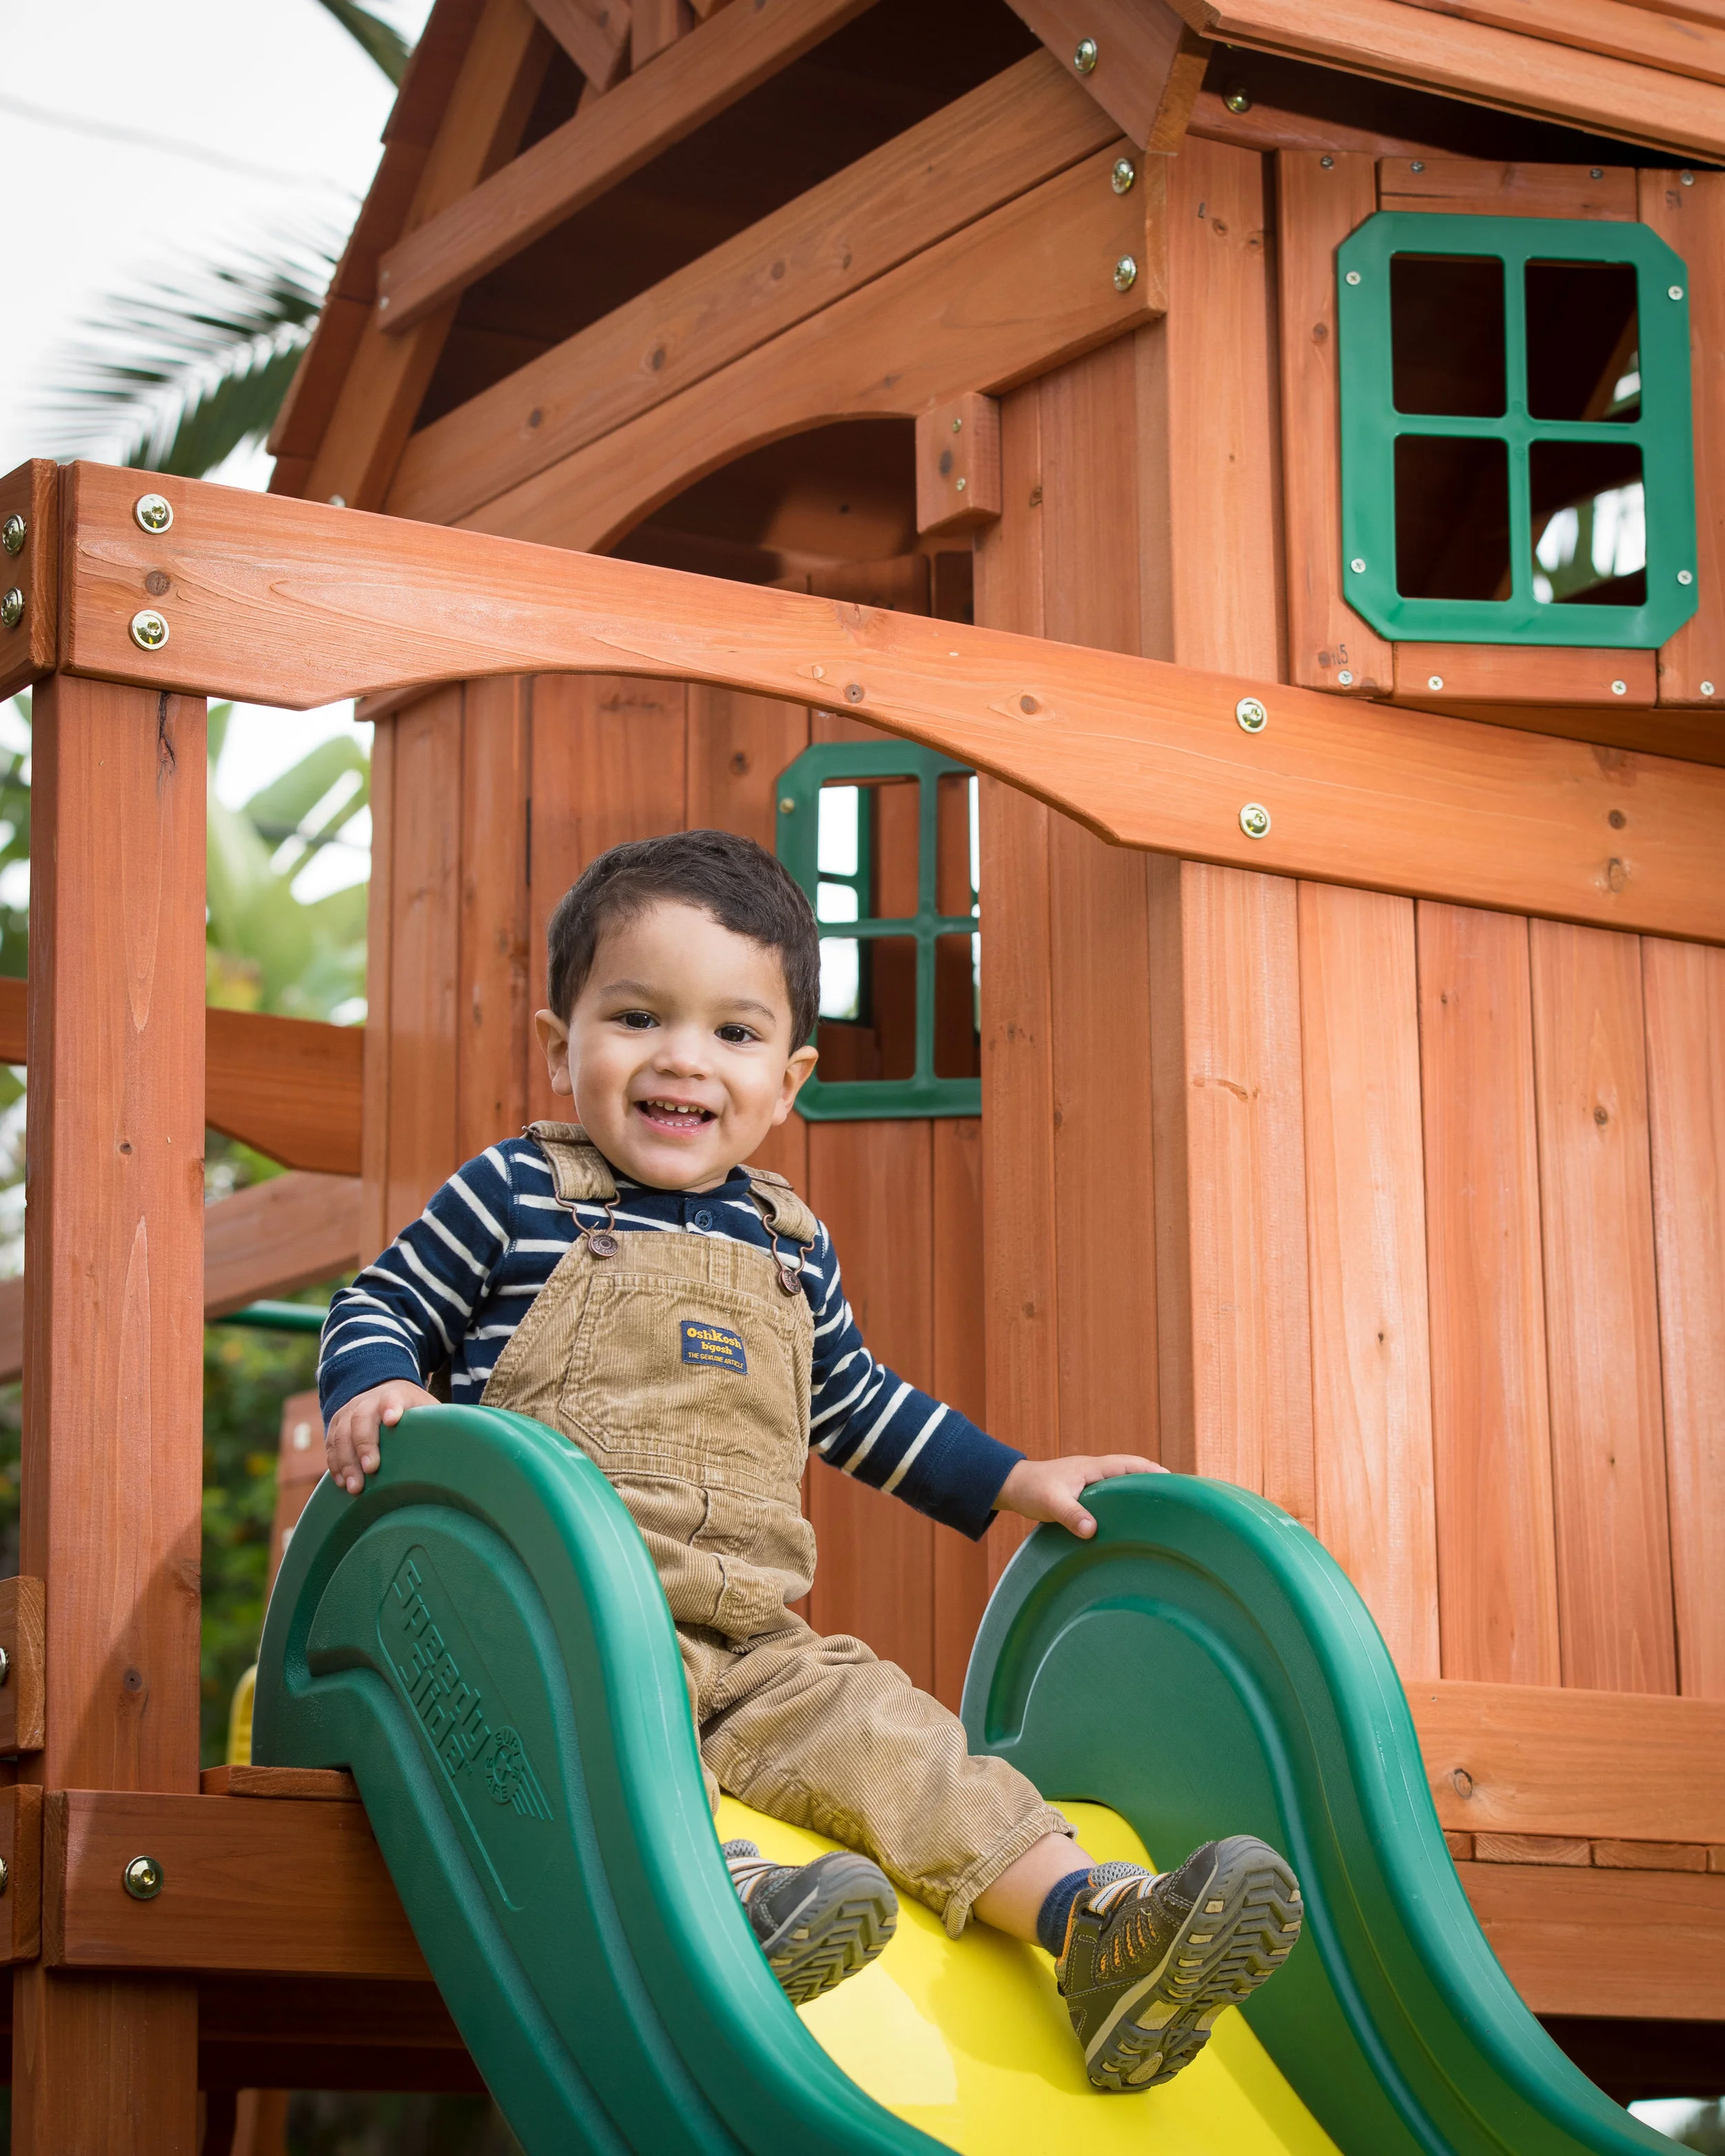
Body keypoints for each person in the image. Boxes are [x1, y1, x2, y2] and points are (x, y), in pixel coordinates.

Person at [319, 830, 1301, 2093]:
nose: (683, 1057)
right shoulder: (516, 1192)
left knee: (899, 1740)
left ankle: (1095, 1929)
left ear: (787, 1082)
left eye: (733, 1033)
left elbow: (857, 1405)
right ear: (561, 1044)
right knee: (619, 1738)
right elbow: (381, 1301)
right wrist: (381, 1380)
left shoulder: (789, 1244)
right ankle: (716, 1911)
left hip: (754, 1640)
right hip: (562, 1619)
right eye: (637, 1017)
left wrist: (1014, 1480)